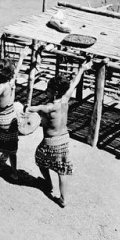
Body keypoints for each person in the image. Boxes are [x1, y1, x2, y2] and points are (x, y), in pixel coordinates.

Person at [27, 59, 92, 208]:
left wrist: (26, 108)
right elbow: (74, 82)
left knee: (40, 159)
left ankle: (48, 184)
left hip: (51, 142)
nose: (45, 91)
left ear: (54, 92)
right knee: (62, 170)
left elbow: (32, 109)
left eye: (48, 90)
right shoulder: (65, 98)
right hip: (64, 140)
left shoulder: (49, 107)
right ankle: (63, 199)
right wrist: (82, 69)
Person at [0, 49, 26, 180]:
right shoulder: (11, 81)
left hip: (2, 118)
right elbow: (17, 69)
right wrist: (21, 57)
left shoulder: (2, 87)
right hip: (11, 115)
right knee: (11, 147)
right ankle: (14, 172)